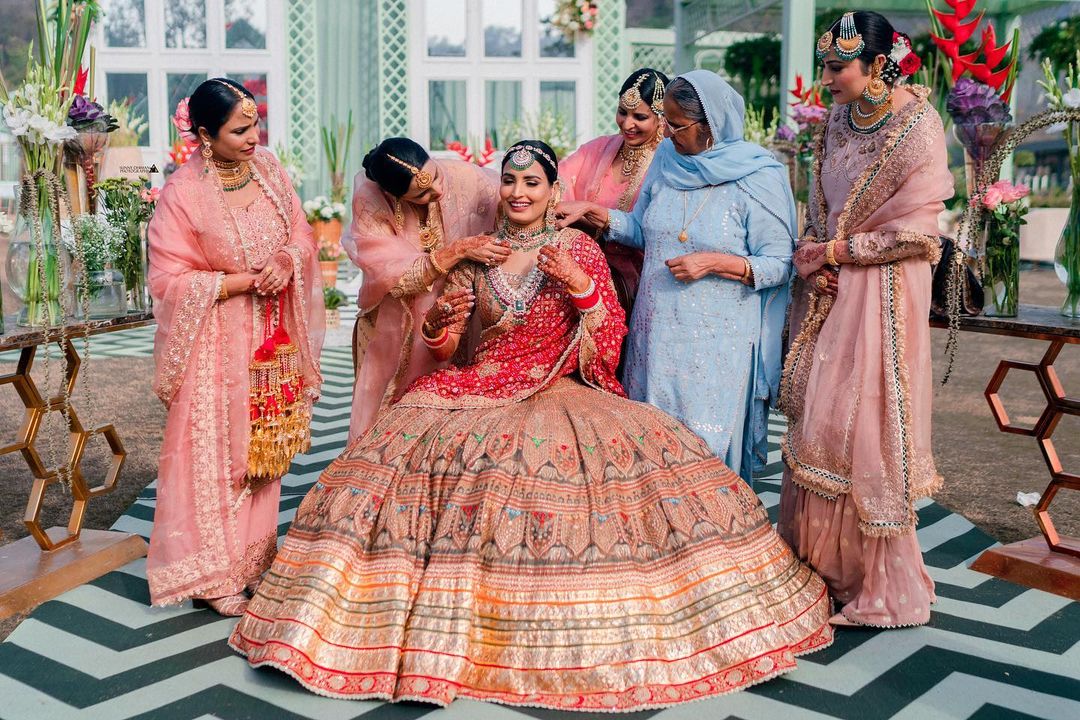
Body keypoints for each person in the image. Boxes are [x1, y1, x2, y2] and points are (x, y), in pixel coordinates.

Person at [229, 140, 832, 710]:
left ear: (553, 189)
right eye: (511, 181)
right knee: (405, 446)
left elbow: (609, 339)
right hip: (475, 386)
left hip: (558, 388)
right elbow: (446, 351)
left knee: (528, 466)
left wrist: (585, 291)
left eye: (532, 183)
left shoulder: (578, 250)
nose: (518, 193)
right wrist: (442, 319)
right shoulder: (479, 254)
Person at [777, 11, 953, 628]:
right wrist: (813, 257)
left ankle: (877, 583)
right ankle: (823, 569)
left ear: (877, 64)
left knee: (866, 422)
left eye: (836, 68)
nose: (825, 80)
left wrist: (840, 253)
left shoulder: (917, 125)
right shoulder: (834, 122)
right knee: (820, 418)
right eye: (825, 66)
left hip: (883, 293)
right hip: (831, 289)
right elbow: (820, 209)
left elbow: (920, 232)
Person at [558, 70, 796, 484]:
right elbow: (642, 230)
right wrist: (594, 213)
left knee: (703, 454)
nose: (664, 133)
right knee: (649, 447)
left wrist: (715, 263)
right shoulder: (667, 161)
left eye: (675, 124)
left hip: (716, 347)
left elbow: (780, 263)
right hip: (655, 338)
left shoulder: (759, 176)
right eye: (664, 120)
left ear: (709, 128)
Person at [146, 78, 324, 615]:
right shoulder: (185, 194)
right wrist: (240, 283)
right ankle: (213, 574)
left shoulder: (268, 169)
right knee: (222, 454)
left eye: (255, 126)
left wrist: (287, 261)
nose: (253, 138)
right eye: (240, 130)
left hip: (273, 338)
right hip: (215, 344)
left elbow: (301, 232)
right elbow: (167, 278)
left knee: (265, 451)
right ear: (204, 134)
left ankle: (253, 560)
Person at [343, 138, 504, 443]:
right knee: (384, 424)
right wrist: (457, 251)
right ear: (395, 195)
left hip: (457, 317)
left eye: (436, 178)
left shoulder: (460, 175)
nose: (439, 192)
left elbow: (512, 197)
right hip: (393, 329)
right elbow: (395, 276)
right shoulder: (372, 201)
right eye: (422, 194)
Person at [560, 67, 669, 316]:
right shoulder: (599, 148)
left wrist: (592, 215)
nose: (627, 124)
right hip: (578, 261)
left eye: (639, 117)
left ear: (661, 118)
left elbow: (653, 231)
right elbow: (559, 183)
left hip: (633, 278)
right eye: (622, 112)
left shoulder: (668, 164)